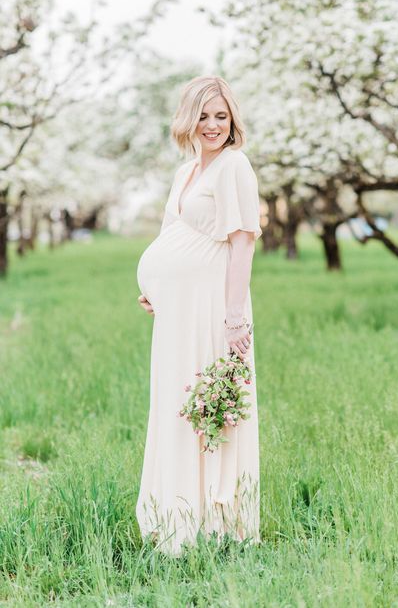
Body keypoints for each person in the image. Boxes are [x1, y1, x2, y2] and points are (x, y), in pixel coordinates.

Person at [135, 75, 262, 556]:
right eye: (204, 115)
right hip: (176, 314)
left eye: (221, 116)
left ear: (232, 121)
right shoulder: (186, 172)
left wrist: (234, 317)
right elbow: (171, 235)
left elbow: (242, 242)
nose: (212, 125)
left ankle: (217, 525)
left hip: (213, 309)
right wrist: (153, 287)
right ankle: (175, 515)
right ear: (189, 119)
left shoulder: (235, 167)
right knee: (175, 403)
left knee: (212, 405)